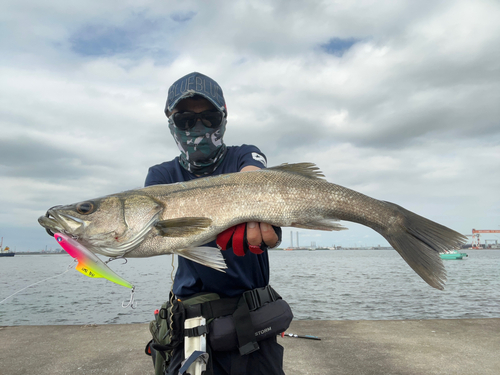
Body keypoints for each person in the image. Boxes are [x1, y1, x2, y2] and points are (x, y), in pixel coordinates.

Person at [145, 72, 286, 375]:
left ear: (223, 117)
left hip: (254, 325)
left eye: (209, 117)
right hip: (192, 328)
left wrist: (266, 220)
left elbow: (254, 173)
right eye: (185, 119)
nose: (198, 126)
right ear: (170, 121)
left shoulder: (242, 155)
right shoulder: (161, 176)